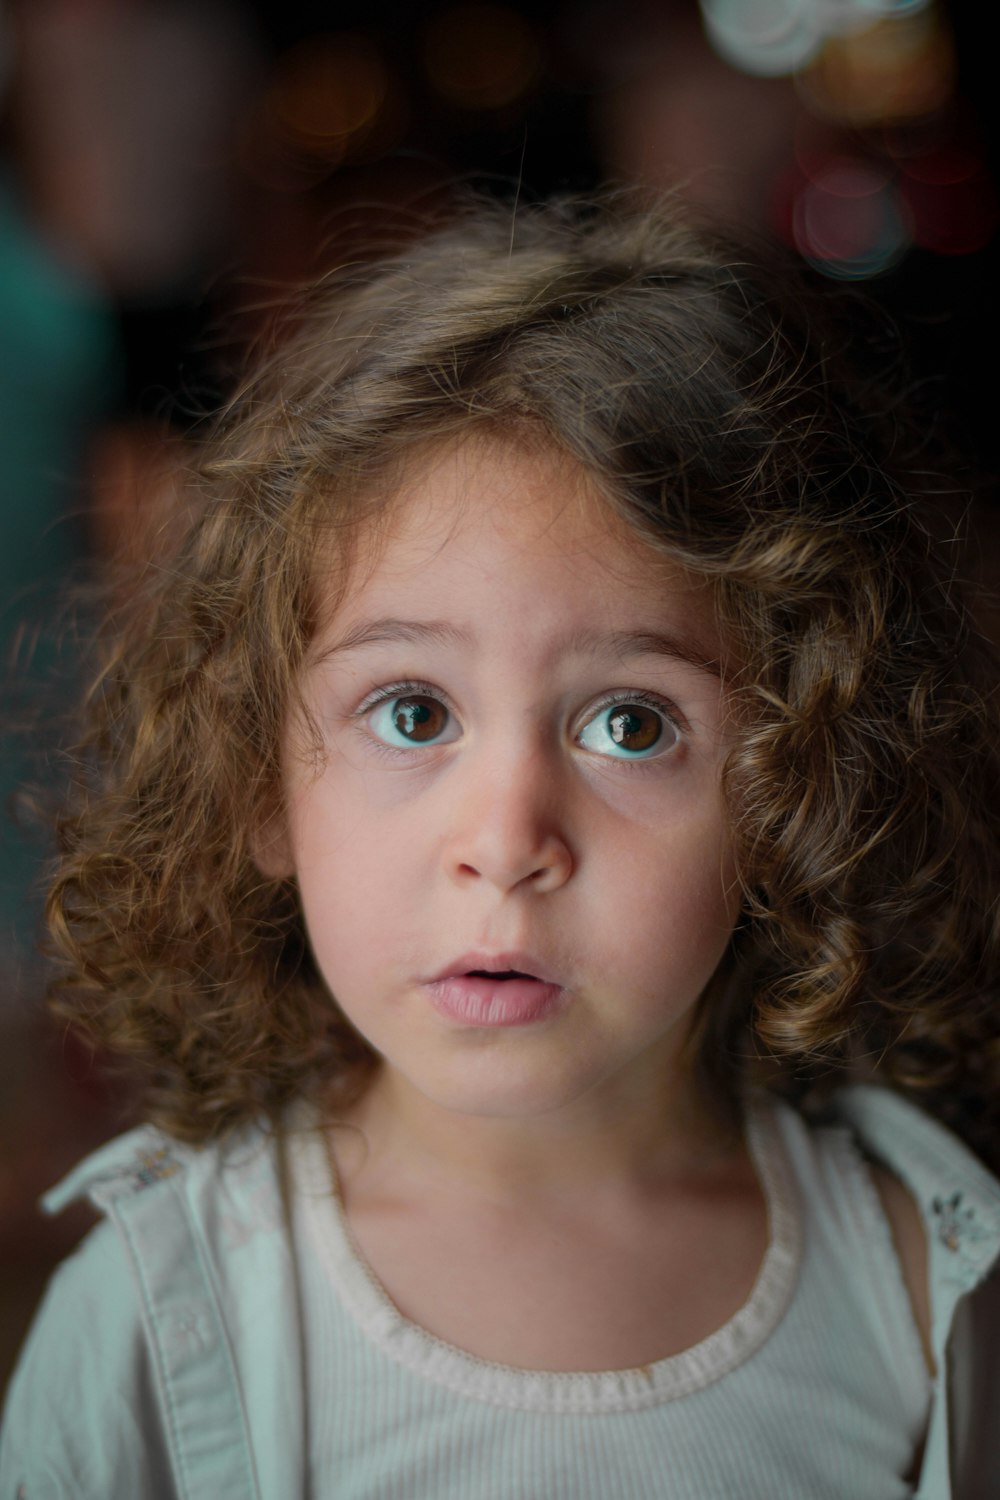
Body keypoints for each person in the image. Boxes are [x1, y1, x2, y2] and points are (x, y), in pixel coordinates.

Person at [2, 195, 1000, 1498]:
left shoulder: (925, 1294)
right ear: (256, 779)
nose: (508, 842)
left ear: (792, 791)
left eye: (630, 725)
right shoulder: (155, 1317)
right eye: (412, 713)